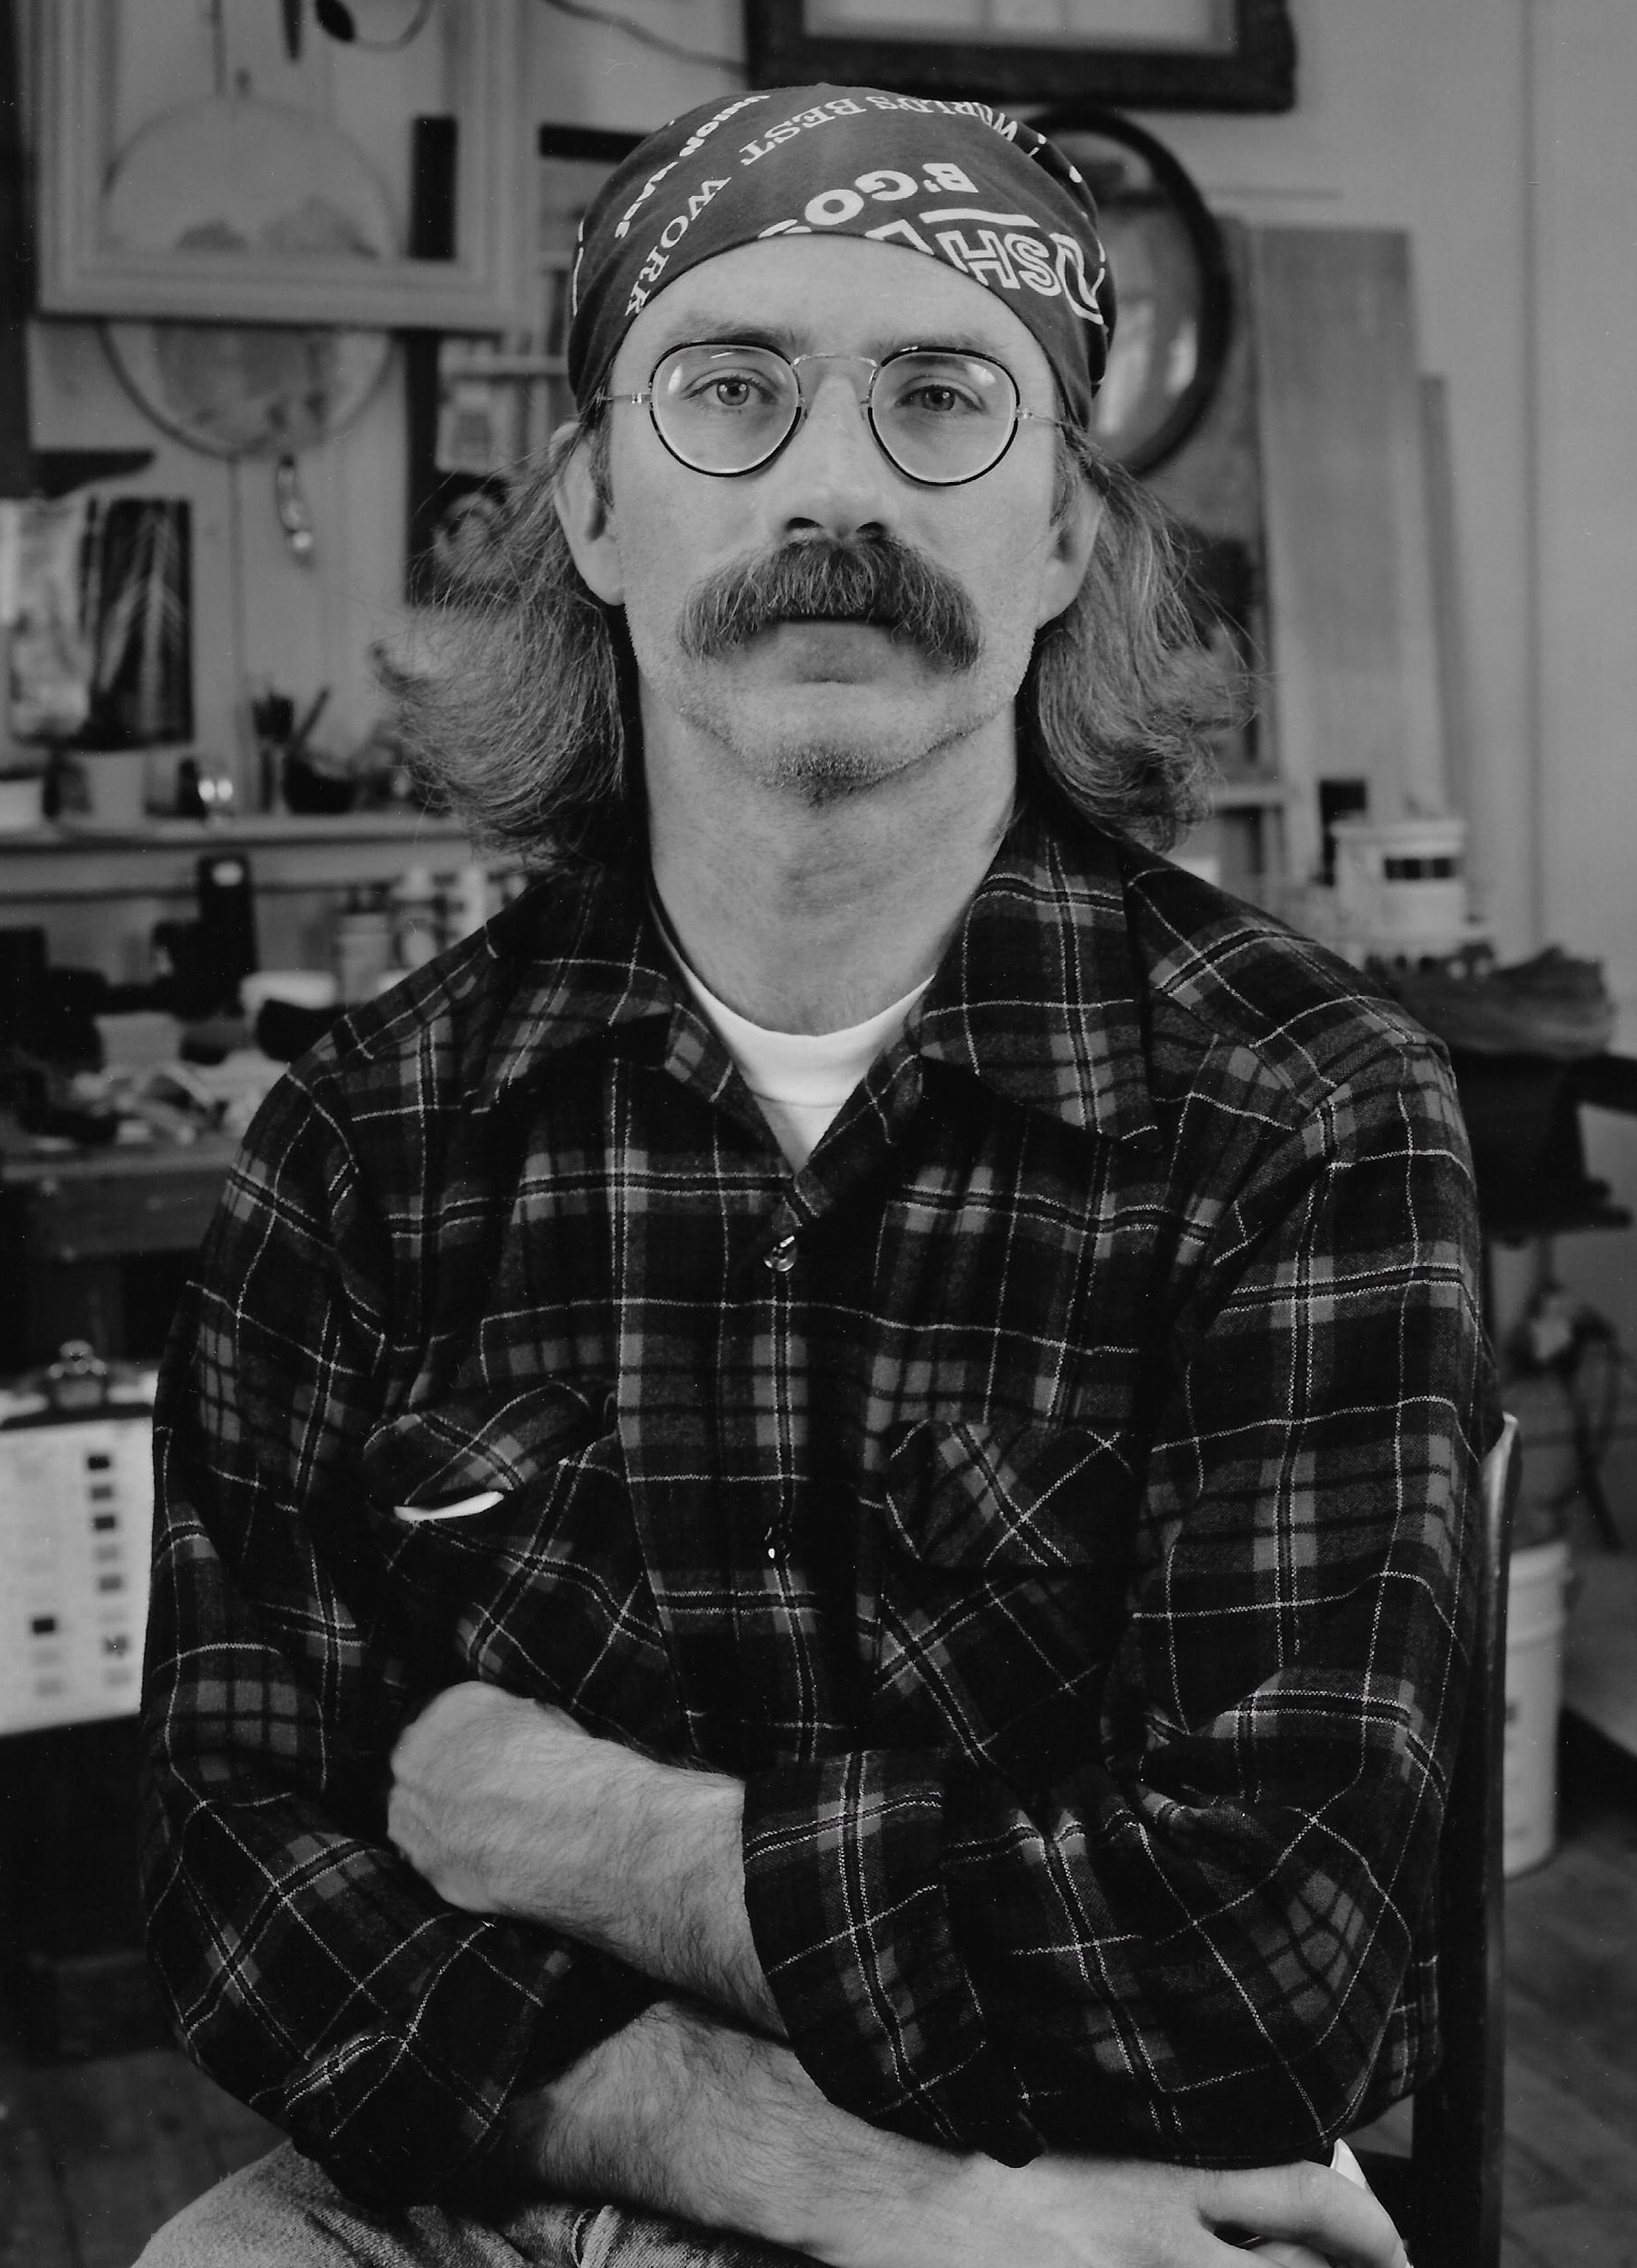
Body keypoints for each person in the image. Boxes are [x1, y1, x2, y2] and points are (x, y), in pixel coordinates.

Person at [137, 85, 1491, 2268]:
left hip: (1119, 2195)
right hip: (561, 2155)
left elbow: (1263, 1951)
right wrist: (843, 2187)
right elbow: (241, 1869)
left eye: (944, 397)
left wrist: (590, 1830)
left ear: (1063, 533)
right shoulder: (371, 1140)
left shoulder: (1304, 1108)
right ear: (584, 504)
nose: (837, 480)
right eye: (732, 391)